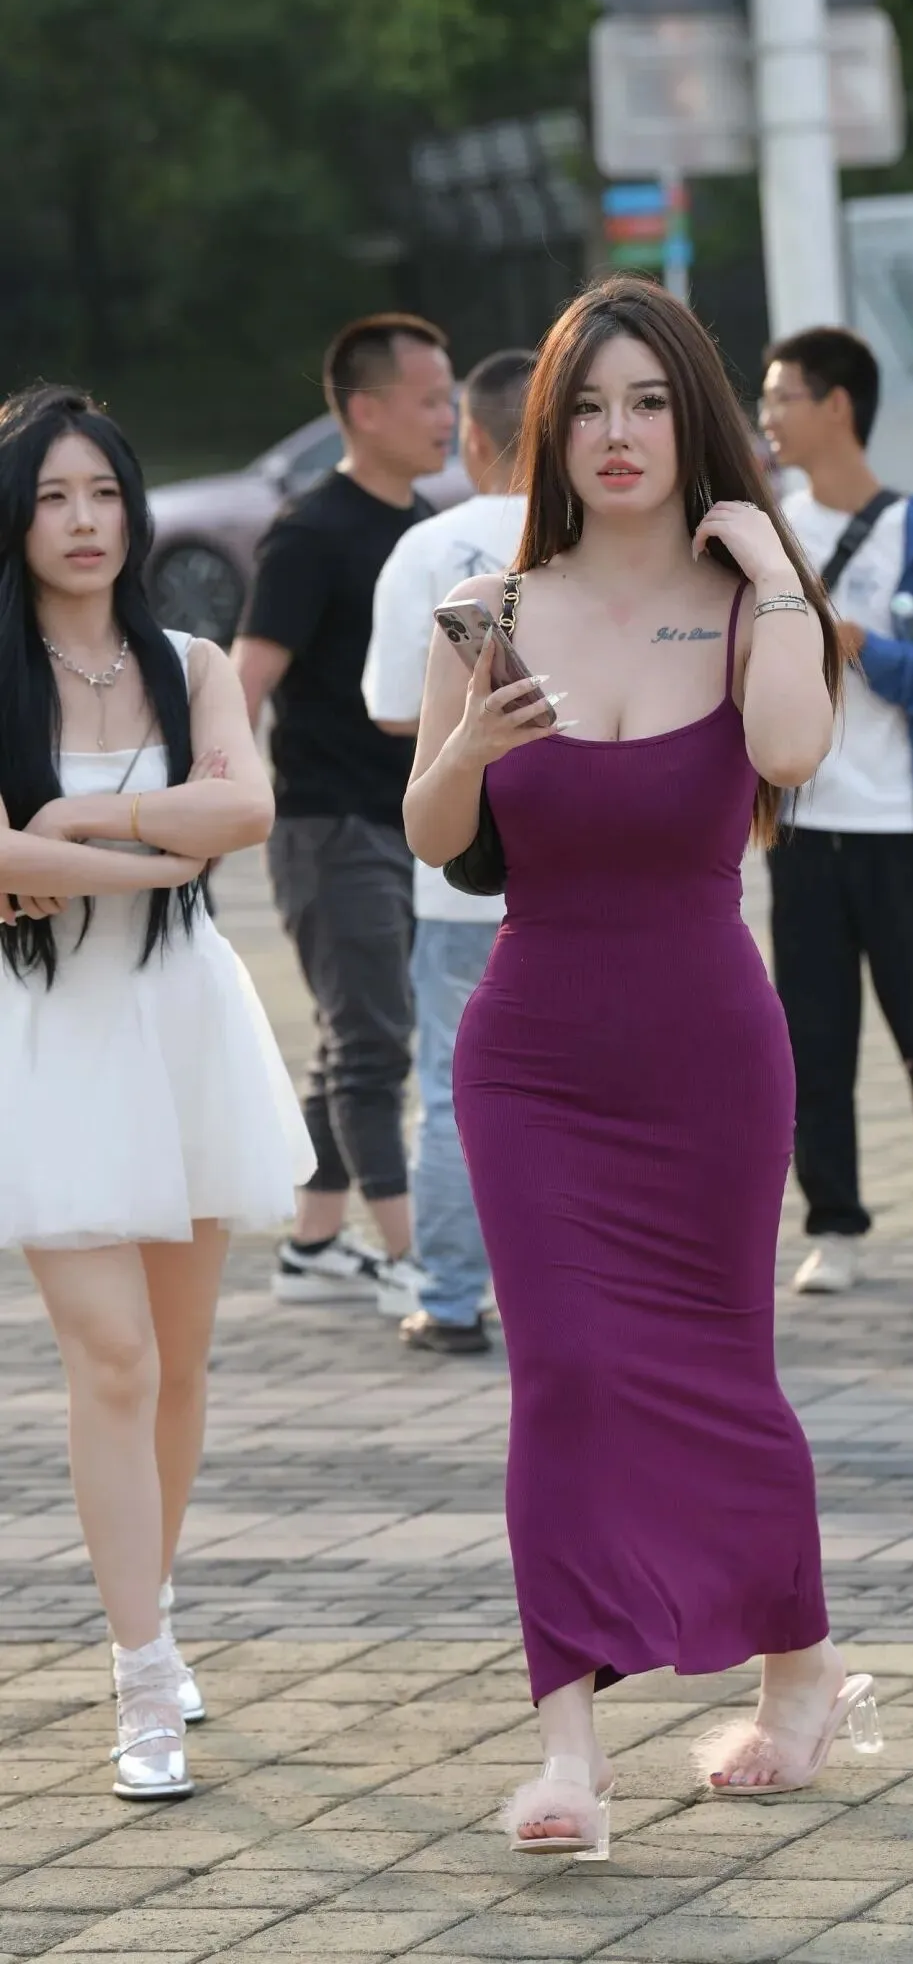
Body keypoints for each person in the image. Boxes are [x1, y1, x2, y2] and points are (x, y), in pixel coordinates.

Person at [403, 275, 883, 1854]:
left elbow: (792, 753)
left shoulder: (748, 606)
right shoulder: (484, 606)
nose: (618, 435)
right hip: (532, 1058)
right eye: (590, 406)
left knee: (723, 1371)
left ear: (698, 424)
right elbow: (434, 831)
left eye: (651, 404)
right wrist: (469, 747)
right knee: (566, 1374)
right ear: (551, 429)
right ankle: (570, 1752)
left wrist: (778, 575)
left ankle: (799, 1670)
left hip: (707, 1055)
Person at [0, 385, 313, 1800]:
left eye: (105, 494)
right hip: (47, 1032)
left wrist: (77, 820)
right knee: (113, 1359)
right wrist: (154, 856)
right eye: (53, 497)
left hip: (182, 1024)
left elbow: (244, 809)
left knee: (180, 1366)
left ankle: (155, 1609)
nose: (84, 522)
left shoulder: (188, 662)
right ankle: (141, 1681)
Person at [759, 326, 913, 1298]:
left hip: (907, 832)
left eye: (782, 397)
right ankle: (835, 1225)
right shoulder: (767, 533)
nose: (768, 418)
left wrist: (865, 646)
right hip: (804, 832)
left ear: (837, 406)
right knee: (813, 1042)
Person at [233, 313, 456, 1311]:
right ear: (365, 410)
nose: (447, 418)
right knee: (374, 1044)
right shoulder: (311, 532)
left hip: (406, 818)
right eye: (430, 400)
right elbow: (246, 679)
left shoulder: (423, 528)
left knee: (349, 1038)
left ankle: (316, 1243)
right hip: (328, 827)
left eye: (451, 400)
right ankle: (415, 1257)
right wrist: (220, 812)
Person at [364, 348, 533, 1356]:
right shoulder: (608, 544)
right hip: (588, 874)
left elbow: (394, 708)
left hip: (463, 875)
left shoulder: (432, 546)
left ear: (474, 435)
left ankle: (453, 1297)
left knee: (453, 1089)